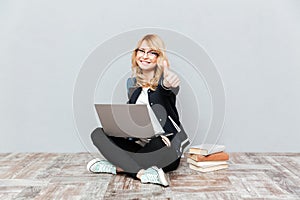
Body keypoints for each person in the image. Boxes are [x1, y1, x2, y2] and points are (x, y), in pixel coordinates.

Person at [87, 34, 189, 187]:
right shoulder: (133, 87)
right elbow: (133, 120)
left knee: (158, 143)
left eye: (152, 52)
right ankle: (141, 173)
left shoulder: (163, 84)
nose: (145, 56)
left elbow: (168, 88)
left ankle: (118, 167)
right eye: (142, 51)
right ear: (136, 55)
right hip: (140, 147)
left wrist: (169, 80)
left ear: (159, 58)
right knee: (97, 133)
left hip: (165, 149)